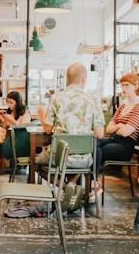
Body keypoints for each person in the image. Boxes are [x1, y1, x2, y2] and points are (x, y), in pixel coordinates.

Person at [37, 63, 105, 215]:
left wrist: (42, 117)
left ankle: (65, 187)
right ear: (84, 79)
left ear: (67, 79)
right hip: (84, 159)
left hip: (59, 158)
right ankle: (72, 186)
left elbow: (47, 129)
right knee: (78, 161)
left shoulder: (56, 97)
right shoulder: (93, 99)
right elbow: (100, 134)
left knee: (36, 163)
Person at [97, 72, 139, 168]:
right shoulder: (122, 106)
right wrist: (119, 126)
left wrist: (117, 126)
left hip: (125, 146)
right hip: (112, 139)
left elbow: (125, 133)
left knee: (96, 149)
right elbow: (108, 129)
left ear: (136, 86)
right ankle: (91, 179)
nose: (123, 88)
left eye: (127, 85)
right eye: (122, 85)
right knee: (92, 143)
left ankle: (92, 180)